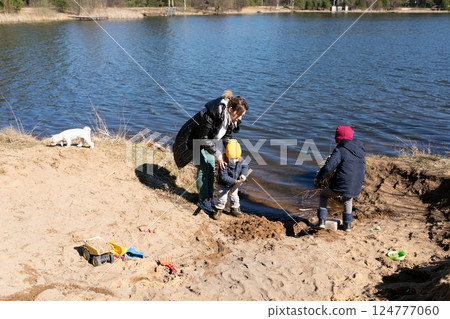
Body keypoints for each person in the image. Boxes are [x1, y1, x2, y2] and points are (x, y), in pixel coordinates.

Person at [173, 90, 248, 213]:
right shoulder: (212, 114)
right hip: (192, 141)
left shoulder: (229, 119)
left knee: (211, 167)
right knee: (204, 168)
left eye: (242, 116)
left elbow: (227, 137)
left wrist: (228, 153)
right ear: (231, 110)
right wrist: (218, 155)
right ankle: (203, 200)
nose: (240, 118)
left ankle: (209, 196)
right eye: (239, 115)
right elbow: (203, 138)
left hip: (207, 142)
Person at [314, 125, 365, 232]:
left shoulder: (340, 150)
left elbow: (328, 167)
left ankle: (322, 221)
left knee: (323, 194)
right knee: (348, 197)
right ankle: (347, 225)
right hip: (357, 183)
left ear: (338, 138)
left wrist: (319, 179)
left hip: (342, 183)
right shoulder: (360, 150)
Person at [213, 139, 249, 220]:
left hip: (234, 185)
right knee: (223, 198)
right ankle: (219, 209)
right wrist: (234, 181)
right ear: (227, 155)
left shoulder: (240, 160)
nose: (234, 160)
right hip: (223, 184)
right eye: (231, 158)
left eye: (236, 158)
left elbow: (245, 167)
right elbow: (223, 177)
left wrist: (243, 174)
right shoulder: (224, 164)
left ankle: (234, 209)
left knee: (235, 197)